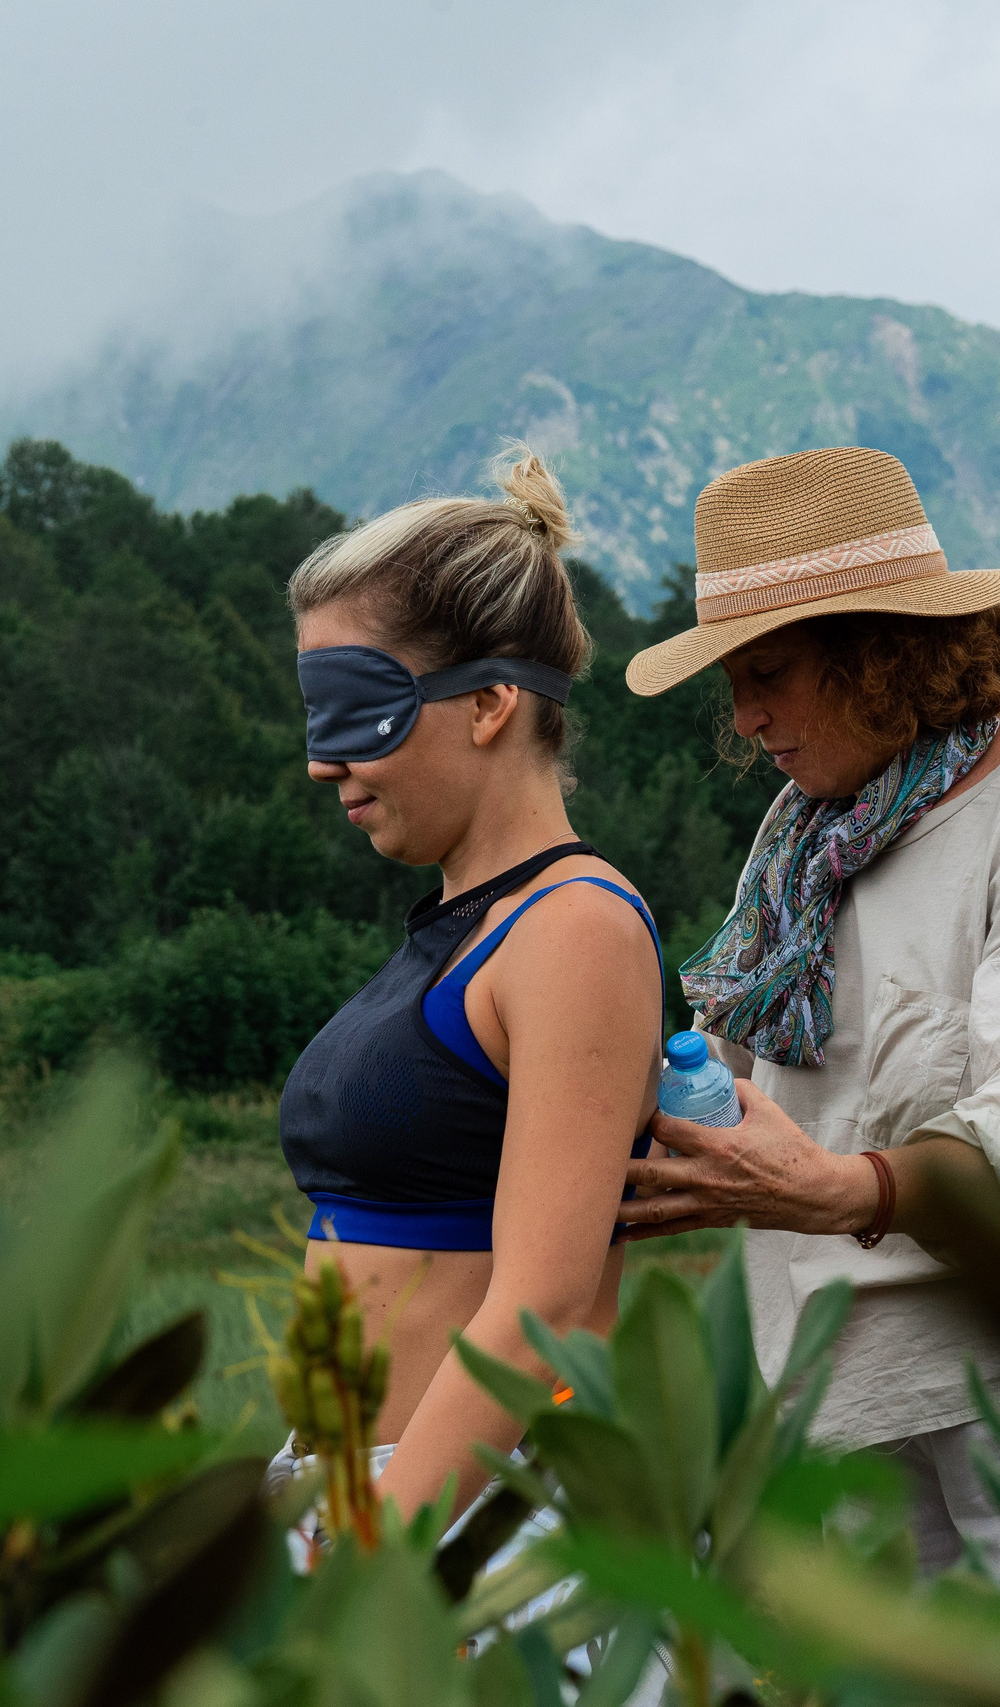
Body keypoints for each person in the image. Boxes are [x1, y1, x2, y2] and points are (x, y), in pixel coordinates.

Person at [615, 446, 1000, 1590]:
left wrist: (824, 1191)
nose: (747, 719)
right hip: (865, 1372)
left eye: (772, 673)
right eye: (733, 685)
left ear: (886, 656)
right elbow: (750, 1076)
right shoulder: (809, 834)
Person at [274, 448, 664, 1522]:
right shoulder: (467, 929)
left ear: (490, 703)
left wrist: (377, 1552)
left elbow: (541, 1302)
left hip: (481, 1528)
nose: (322, 763)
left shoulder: (572, 929)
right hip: (382, 1498)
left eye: (355, 714)